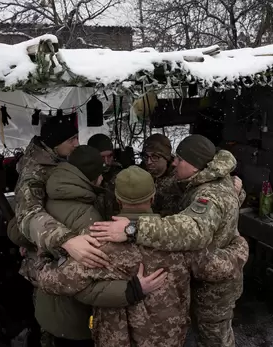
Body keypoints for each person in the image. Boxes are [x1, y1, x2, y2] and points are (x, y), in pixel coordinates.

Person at [34, 166, 249, 347]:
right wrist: (240, 244)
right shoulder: (178, 240)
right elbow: (221, 267)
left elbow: (53, 282)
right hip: (167, 337)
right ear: (153, 197)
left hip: (116, 339)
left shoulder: (97, 241)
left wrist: (43, 255)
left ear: (117, 199)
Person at [90, 135, 245, 347]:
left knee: (215, 339)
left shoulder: (209, 194)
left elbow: (192, 230)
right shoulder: (211, 182)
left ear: (194, 164)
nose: (174, 163)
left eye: (179, 159)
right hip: (213, 277)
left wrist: (132, 228)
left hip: (214, 290)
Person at [21, 147, 166, 347]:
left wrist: (35, 252)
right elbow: (80, 286)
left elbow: (17, 229)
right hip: (74, 321)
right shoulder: (93, 223)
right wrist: (133, 290)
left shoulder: (44, 195)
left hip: (49, 311)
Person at [12, 116, 109, 268]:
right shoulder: (34, 172)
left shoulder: (57, 158)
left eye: (76, 137)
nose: (76, 144)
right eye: (71, 140)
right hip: (46, 255)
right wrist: (66, 240)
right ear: (55, 143)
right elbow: (28, 215)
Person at [140, 134, 181, 216]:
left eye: (155, 157)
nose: (149, 162)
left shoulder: (178, 181)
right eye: (146, 156)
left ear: (166, 158)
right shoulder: (140, 176)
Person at [87, 133, 122, 218]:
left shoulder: (121, 176)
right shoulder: (85, 176)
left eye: (109, 156)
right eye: (102, 157)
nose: (106, 162)